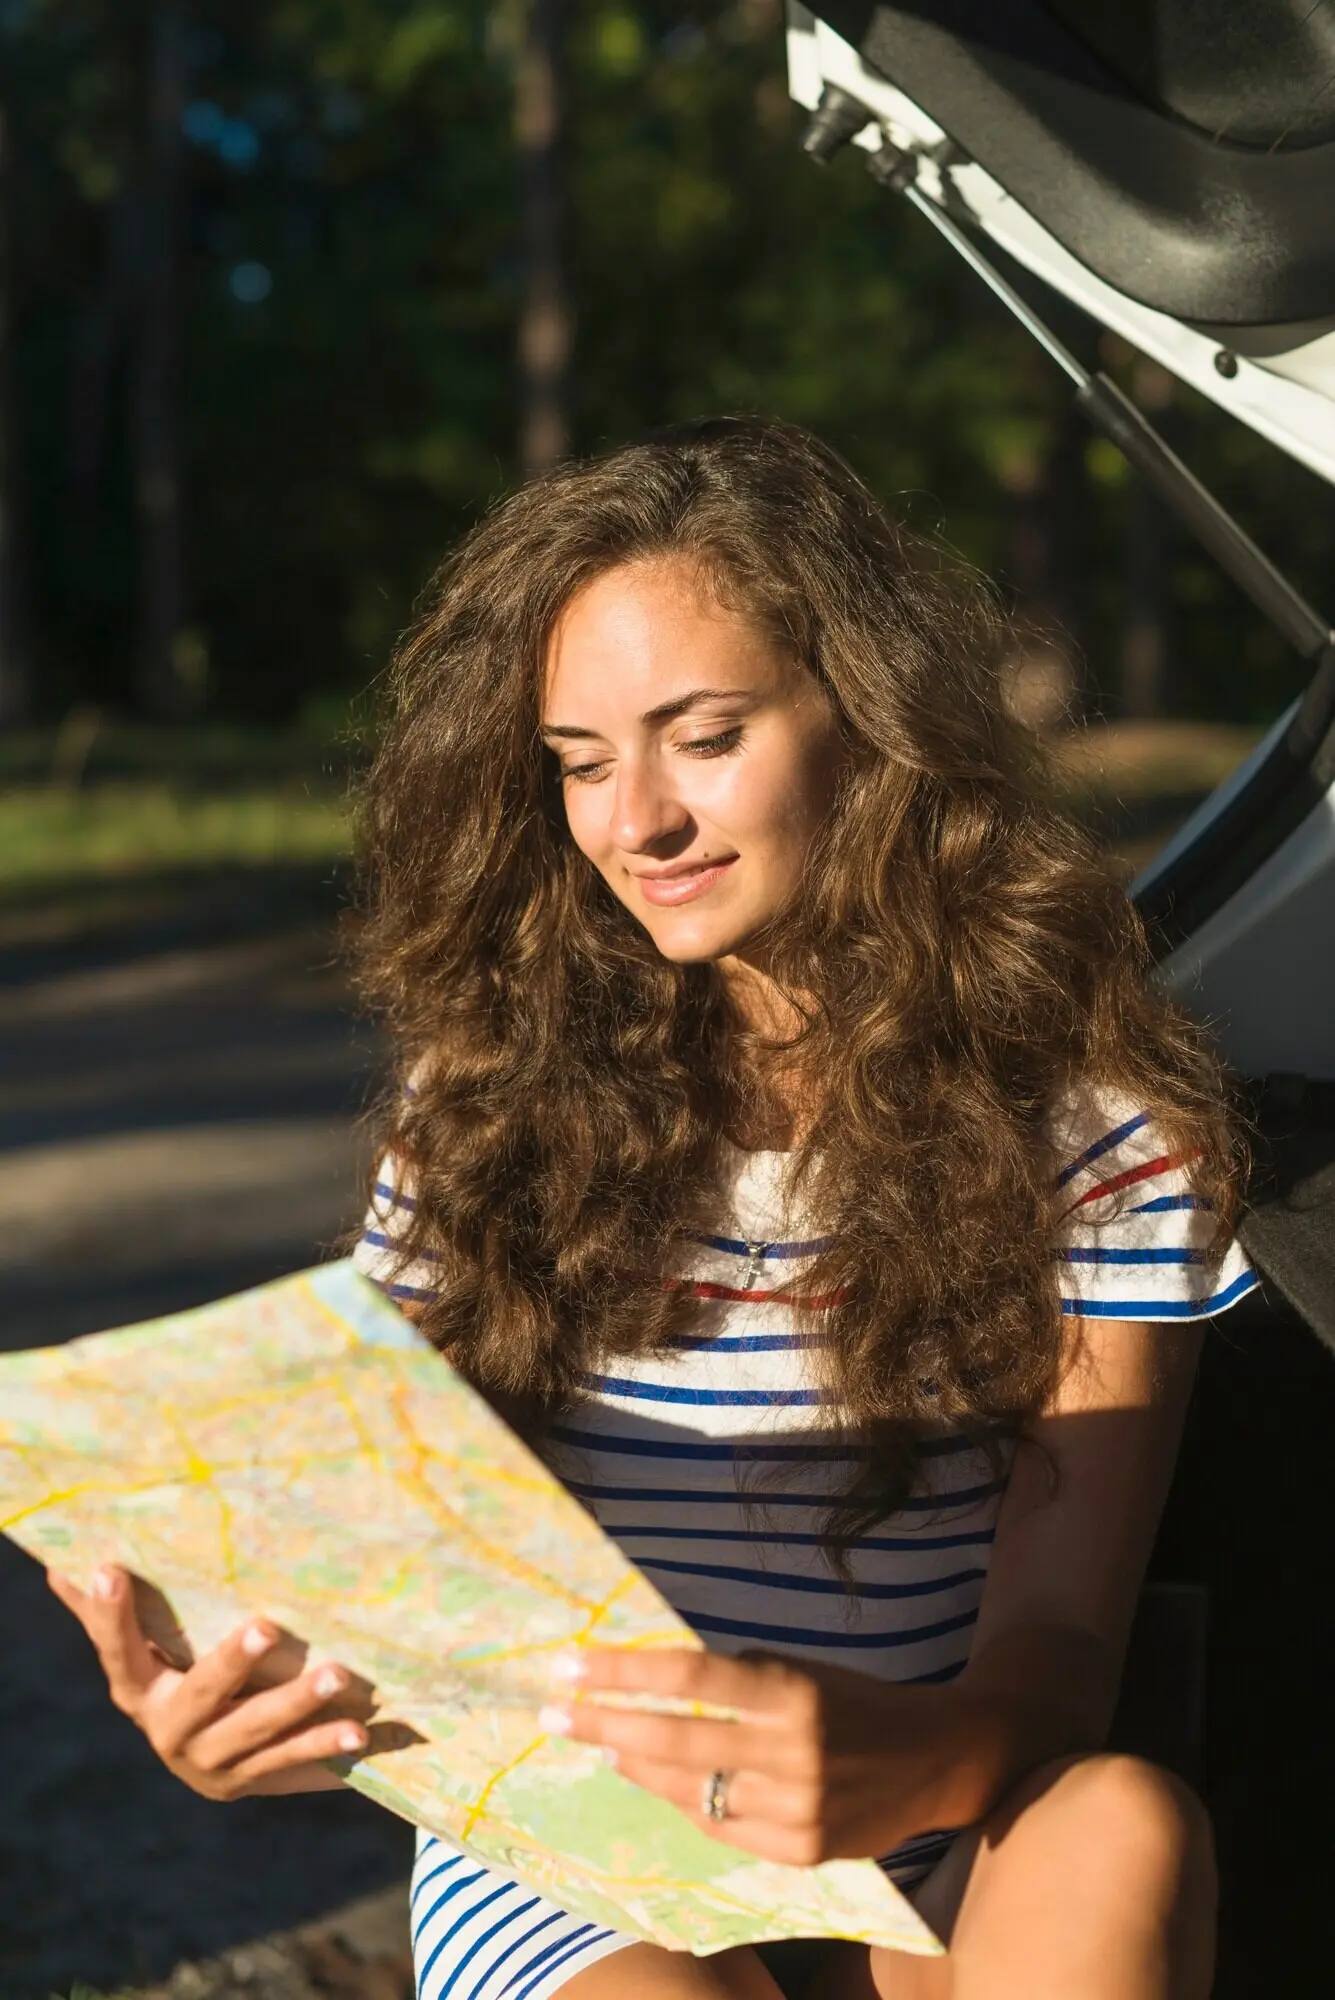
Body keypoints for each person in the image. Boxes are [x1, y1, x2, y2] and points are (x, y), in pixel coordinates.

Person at [52, 417, 1256, 2000]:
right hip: (581, 1855)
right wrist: (230, 1697)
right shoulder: (485, 1105)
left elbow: (1061, 1661)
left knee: (1117, 1823)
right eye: (579, 762)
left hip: (932, 1804)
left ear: (872, 719)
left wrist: (886, 1762)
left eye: (702, 737)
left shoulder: (1094, 1128)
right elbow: (364, 1557)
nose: (635, 823)